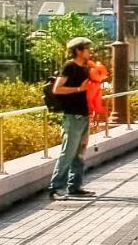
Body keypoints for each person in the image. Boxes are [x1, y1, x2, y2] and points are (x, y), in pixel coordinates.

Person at [49, 37, 97, 200]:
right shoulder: (69, 67)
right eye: (87, 48)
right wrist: (78, 89)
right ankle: (56, 188)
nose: (90, 51)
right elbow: (57, 89)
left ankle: (75, 186)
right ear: (78, 50)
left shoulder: (84, 68)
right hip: (72, 116)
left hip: (84, 115)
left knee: (80, 154)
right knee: (68, 153)